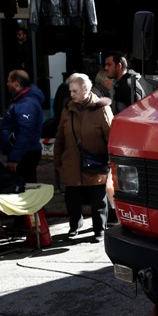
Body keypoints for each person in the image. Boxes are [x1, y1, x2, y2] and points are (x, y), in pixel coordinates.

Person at [52, 73, 112, 241]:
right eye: (70, 91)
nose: (71, 94)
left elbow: (111, 137)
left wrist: (111, 162)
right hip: (72, 162)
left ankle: (99, 230)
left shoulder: (101, 109)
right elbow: (60, 137)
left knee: (97, 200)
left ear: (86, 89)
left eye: (75, 91)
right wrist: (58, 160)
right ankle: (74, 226)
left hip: (95, 163)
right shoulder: (68, 109)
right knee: (72, 198)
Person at [0, 69, 44, 183]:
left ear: (16, 84)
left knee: (25, 188)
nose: (7, 84)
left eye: (9, 81)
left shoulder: (26, 103)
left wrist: (15, 157)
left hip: (25, 155)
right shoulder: (20, 101)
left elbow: (26, 132)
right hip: (22, 153)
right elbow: (14, 126)